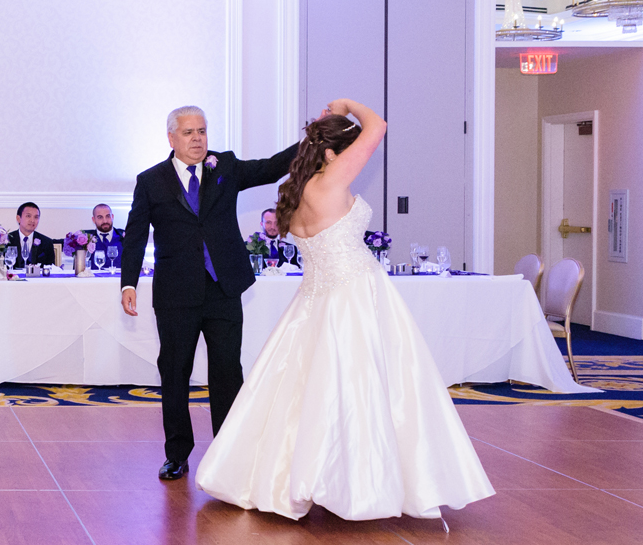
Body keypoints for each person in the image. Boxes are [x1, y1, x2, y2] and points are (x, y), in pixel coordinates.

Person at [195, 99, 496, 520]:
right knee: (361, 392)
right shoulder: (331, 180)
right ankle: (360, 487)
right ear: (334, 154)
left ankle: (301, 478)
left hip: (315, 300)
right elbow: (378, 125)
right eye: (348, 149)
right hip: (355, 295)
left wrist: (325, 123)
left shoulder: (297, 191)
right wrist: (346, 105)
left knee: (307, 393)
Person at [120, 106, 299, 481]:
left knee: (227, 373)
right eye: (188, 132)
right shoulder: (151, 181)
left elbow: (271, 166)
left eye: (202, 131)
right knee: (175, 373)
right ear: (171, 138)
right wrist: (129, 282)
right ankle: (177, 454)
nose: (197, 138)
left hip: (223, 289)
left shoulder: (226, 167)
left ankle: (228, 453)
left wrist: (311, 138)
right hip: (176, 294)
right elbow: (135, 236)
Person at [8, 202, 56, 270]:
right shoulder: (7, 240)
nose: (32, 220)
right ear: (18, 218)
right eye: (28, 216)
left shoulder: (47, 242)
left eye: (36, 217)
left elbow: (50, 269)